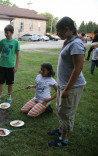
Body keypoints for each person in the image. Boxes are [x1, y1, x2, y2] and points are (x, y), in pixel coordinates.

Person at [47, 17, 86, 147]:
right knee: (60, 109)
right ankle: (61, 129)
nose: (57, 34)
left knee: (67, 112)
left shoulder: (76, 44)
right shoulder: (69, 41)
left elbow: (78, 67)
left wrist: (68, 89)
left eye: (59, 31)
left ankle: (64, 139)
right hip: (62, 84)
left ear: (68, 29)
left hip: (72, 86)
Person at [0, 24, 20, 103]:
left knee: (9, 83)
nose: (6, 34)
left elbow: (18, 55)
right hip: (2, 65)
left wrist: (16, 66)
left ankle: (9, 96)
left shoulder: (15, 42)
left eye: (7, 32)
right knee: (0, 82)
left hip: (11, 66)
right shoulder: (2, 41)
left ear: (12, 33)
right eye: (5, 32)